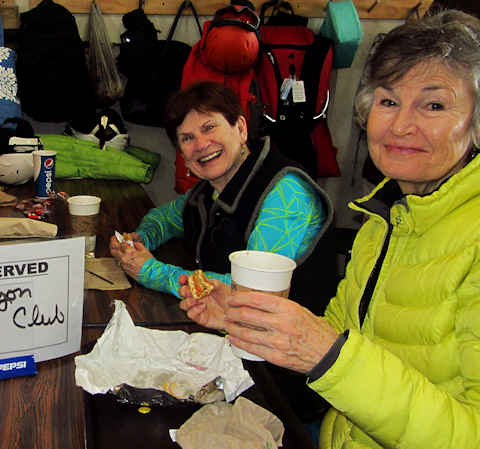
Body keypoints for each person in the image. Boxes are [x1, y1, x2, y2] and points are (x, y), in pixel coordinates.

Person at [180, 10, 480, 449]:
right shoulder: (385, 218)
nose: (401, 125)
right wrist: (249, 319)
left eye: (434, 105)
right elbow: (342, 332)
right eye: (389, 101)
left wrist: (327, 355)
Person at [110, 81, 336, 314]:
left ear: (240, 128)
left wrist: (152, 272)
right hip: (228, 327)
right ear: (182, 156)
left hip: (288, 342)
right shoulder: (210, 189)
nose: (201, 145)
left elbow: (253, 291)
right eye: (187, 138)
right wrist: (141, 240)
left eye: (209, 127)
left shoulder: (287, 192)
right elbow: (165, 218)